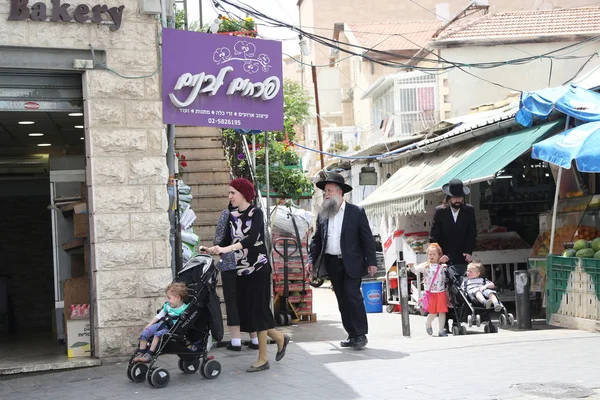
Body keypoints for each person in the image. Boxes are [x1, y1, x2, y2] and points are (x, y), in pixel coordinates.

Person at [206, 178, 290, 373]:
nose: (229, 197)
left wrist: (229, 248)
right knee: (250, 313)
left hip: (258, 269)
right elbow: (226, 240)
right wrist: (213, 249)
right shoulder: (232, 215)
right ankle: (279, 338)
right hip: (241, 270)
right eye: (229, 193)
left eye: (232, 193)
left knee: (259, 312)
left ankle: (263, 359)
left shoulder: (256, 213)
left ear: (243, 193)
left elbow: (252, 238)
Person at [307, 172, 377, 349]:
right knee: (342, 299)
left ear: (340, 192)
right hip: (332, 263)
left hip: (352, 262)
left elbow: (367, 238)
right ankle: (352, 334)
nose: (326, 194)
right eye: (324, 192)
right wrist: (310, 260)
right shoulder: (323, 213)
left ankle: (361, 334)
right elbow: (317, 239)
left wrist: (372, 262)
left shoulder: (356, 212)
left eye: (329, 190)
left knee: (352, 296)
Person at [213, 203, 259, 352]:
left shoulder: (226, 214)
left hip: (229, 264)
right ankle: (255, 338)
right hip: (248, 264)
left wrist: (222, 249)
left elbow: (218, 239)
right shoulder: (253, 215)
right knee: (249, 300)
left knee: (232, 301)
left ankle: (236, 340)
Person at [430, 178, 477, 281]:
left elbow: (472, 233)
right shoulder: (440, 211)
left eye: (460, 197)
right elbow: (434, 237)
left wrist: (468, 251)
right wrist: (439, 255)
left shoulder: (469, 210)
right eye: (455, 198)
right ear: (449, 197)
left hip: (463, 257)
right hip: (445, 257)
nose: (458, 200)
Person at [133, 282, 189, 363]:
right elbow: (159, 316)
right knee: (146, 332)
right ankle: (141, 352)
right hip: (162, 324)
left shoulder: (185, 309)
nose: (167, 300)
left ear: (177, 298)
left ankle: (149, 354)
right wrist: (150, 324)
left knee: (157, 334)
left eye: (169, 298)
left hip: (172, 328)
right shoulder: (168, 306)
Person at [408, 243, 448, 337]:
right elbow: (415, 270)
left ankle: (441, 331)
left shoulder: (442, 266)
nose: (432, 256)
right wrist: (411, 266)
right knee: (433, 312)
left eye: (434, 254)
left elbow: (445, 278)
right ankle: (428, 322)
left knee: (442, 311)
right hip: (431, 293)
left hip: (441, 292)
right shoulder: (425, 265)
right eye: (430, 254)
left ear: (439, 255)